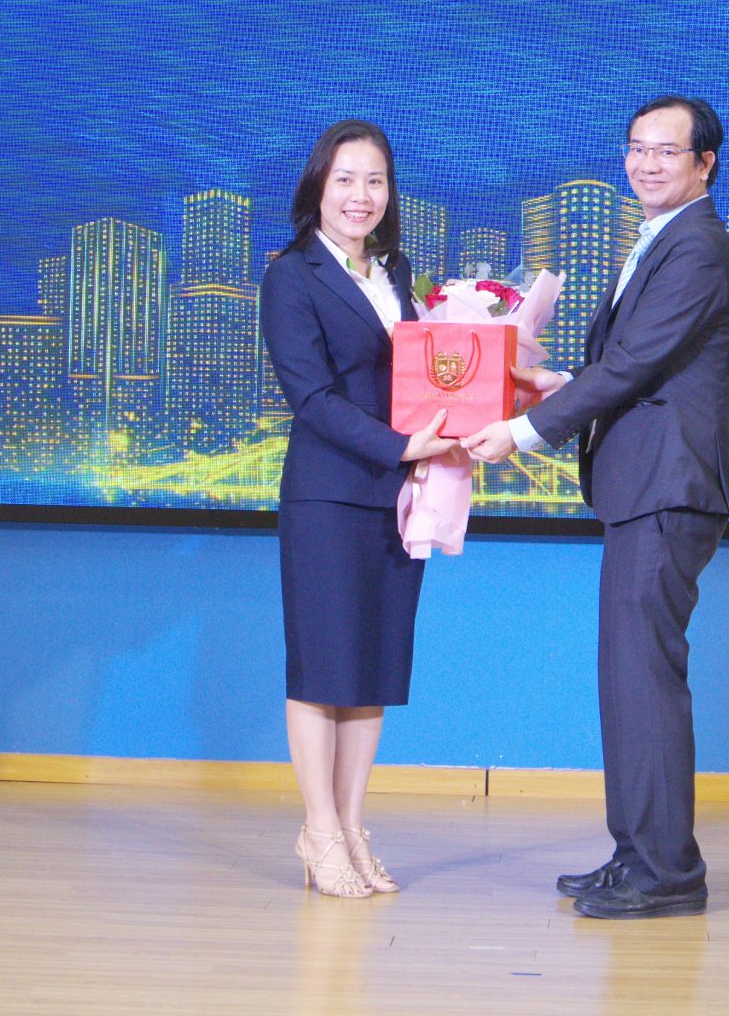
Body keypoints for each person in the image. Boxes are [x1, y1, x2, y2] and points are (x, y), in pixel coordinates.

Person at [460, 95, 729, 919]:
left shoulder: (698, 247)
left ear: (705, 163)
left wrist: (523, 430)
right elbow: (637, 366)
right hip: (644, 487)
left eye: (667, 150)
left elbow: (634, 367)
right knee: (628, 680)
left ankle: (666, 872)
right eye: (636, 147)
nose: (646, 163)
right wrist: (555, 384)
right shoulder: (662, 238)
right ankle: (637, 856)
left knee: (644, 681)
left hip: (666, 488)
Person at [259, 118, 459, 899]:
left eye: (375, 179)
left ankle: (349, 825)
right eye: (345, 178)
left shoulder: (396, 272)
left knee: (371, 667)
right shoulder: (291, 275)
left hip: (396, 496)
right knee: (323, 667)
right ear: (318, 185)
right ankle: (317, 829)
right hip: (328, 494)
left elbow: (420, 375)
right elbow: (310, 397)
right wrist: (403, 446)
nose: (360, 194)